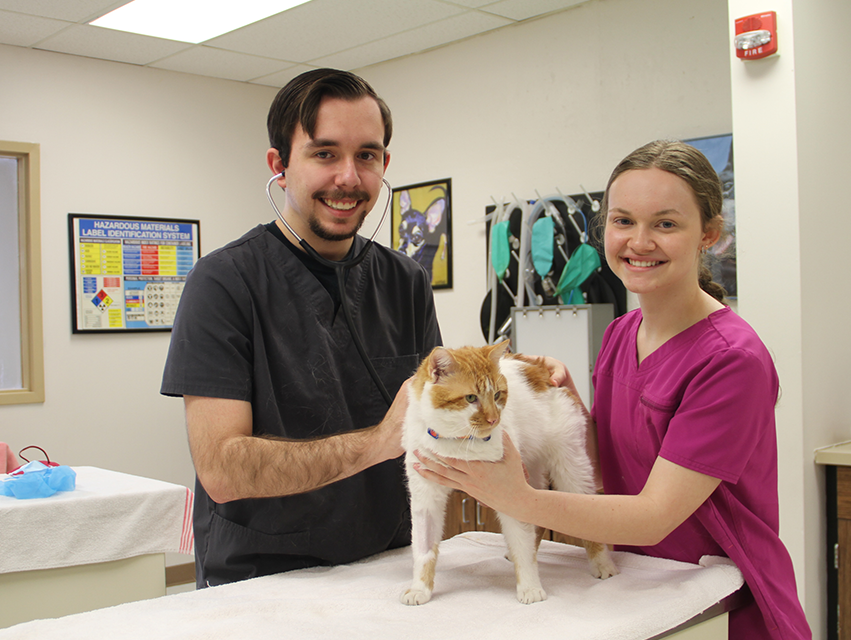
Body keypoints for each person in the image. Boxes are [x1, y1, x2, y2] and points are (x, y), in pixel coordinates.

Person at [414, 140, 810, 639]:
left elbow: (652, 517)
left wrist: (514, 495)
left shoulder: (732, 361)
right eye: (623, 221)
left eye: (665, 224)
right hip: (633, 591)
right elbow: (612, 468)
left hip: (716, 602)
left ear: (708, 233)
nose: (638, 242)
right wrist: (566, 410)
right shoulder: (622, 335)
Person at [162, 69, 443, 588]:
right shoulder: (224, 282)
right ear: (280, 165)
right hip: (263, 578)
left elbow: (434, 417)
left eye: (367, 155)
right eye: (325, 153)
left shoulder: (405, 280)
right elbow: (222, 470)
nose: (349, 178)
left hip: (389, 565)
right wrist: (378, 441)